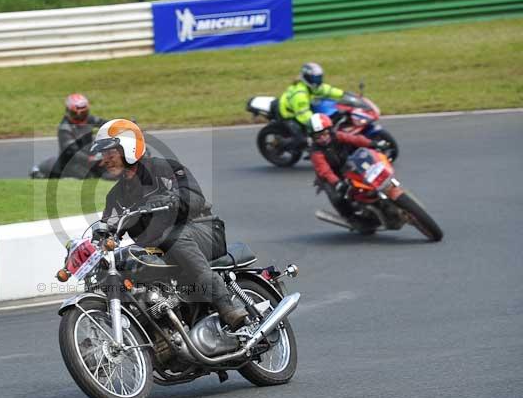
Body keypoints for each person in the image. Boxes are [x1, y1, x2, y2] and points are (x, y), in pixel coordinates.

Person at [90, 118, 249, 330]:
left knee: (174, 238)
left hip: (203, 229)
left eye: (110, 152)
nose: (105, 160)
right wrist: (93, 245)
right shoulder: (116, 196)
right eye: (103, 154)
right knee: (125, 265)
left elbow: (195, 198)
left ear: (129, 148)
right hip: (157, 248)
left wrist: (172, 200)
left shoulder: (164, 169)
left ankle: (226, 305)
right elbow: (108, 226)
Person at [309, 113, 389, 232]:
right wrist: (336, 182)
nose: (322, 138)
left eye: (324, 133)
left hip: (347, 165)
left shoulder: (338, 136)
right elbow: (325, 170)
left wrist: (373, 144)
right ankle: (351, 218)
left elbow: (355, 139)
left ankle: (383, 195)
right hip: (330, 176)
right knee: (337, 197)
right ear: (313, 137)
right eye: (318, 136)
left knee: (368, 173)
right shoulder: (316, 152)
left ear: (330, 131)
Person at [278, 62, 346, 150]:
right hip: (290, 114)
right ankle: (282, 144)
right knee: (303, 140)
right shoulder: (300, 94)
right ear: (307, 78)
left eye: (319, 78)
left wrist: (343, 94)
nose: (317, 81)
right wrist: (321, 124)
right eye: (315, 78)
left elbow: (327, 90)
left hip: (302, 108)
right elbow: (304, 116)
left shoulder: (311, 86)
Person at [54, 93, 106, 178]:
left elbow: (106, 124)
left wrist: (124, 126)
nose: (81, 117)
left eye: (84, 113)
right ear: (68, 111)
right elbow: (72, 152)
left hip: (88, 158)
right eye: (76, 114)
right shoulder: (65, 128)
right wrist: (90, 159)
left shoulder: (89, 119)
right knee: (90, 177)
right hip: (71, 163)